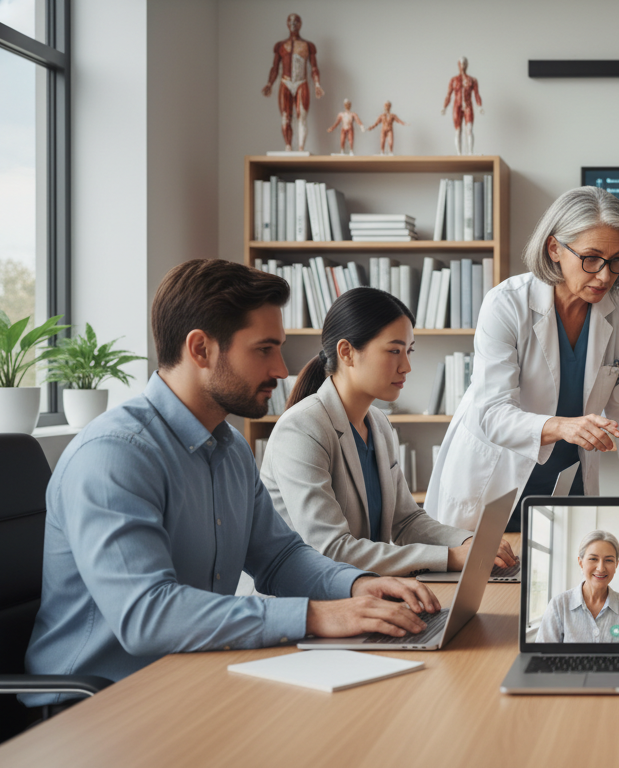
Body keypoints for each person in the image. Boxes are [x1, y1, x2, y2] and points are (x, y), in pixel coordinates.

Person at [24, 260, 440, 709]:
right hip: (97, 705)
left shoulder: (229, 448)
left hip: (191, 677)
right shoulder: (115, 456)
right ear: (201, 349)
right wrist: (317, 614)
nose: (283, 370)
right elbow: (147, 615)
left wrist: (357, 586)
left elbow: (280, 557)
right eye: (265, 349)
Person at [424, 187, 619, 533]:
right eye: (591, 259)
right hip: (495, 483)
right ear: (554, 249)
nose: (606, 276)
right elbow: (492, 414)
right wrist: (564, 426)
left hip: (567, 485)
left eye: (617, 261)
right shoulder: (507, 304)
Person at [261, 288, 515, 577]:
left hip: (364, 595)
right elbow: (331, 550)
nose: (406, 366)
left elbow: (406, 521)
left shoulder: (378, 423)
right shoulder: (302, 428)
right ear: (347, 352)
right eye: (394, 351)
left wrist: (469, 542)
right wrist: (450, 557)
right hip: (306, 604)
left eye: (408, 351)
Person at [537, 531, 619, 643]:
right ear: (581, 562)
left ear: (616, 565)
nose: (601, 568)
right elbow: (544, 654)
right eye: (593, 559)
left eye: (608, 560)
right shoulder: (559, 605)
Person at [261, 13, 323, 152]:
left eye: (296, 21)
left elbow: (314, 68)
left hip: (301, 82)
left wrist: (317, 84)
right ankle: (288, 146)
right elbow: (275, 68)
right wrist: (270, 83)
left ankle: (301, 148)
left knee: (302, 116)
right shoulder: (281, 46)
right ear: (287, 24)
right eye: (290, 21)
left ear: (300, 24)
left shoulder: (308, 45)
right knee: (285, 116)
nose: (293, 24)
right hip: (286, 82)